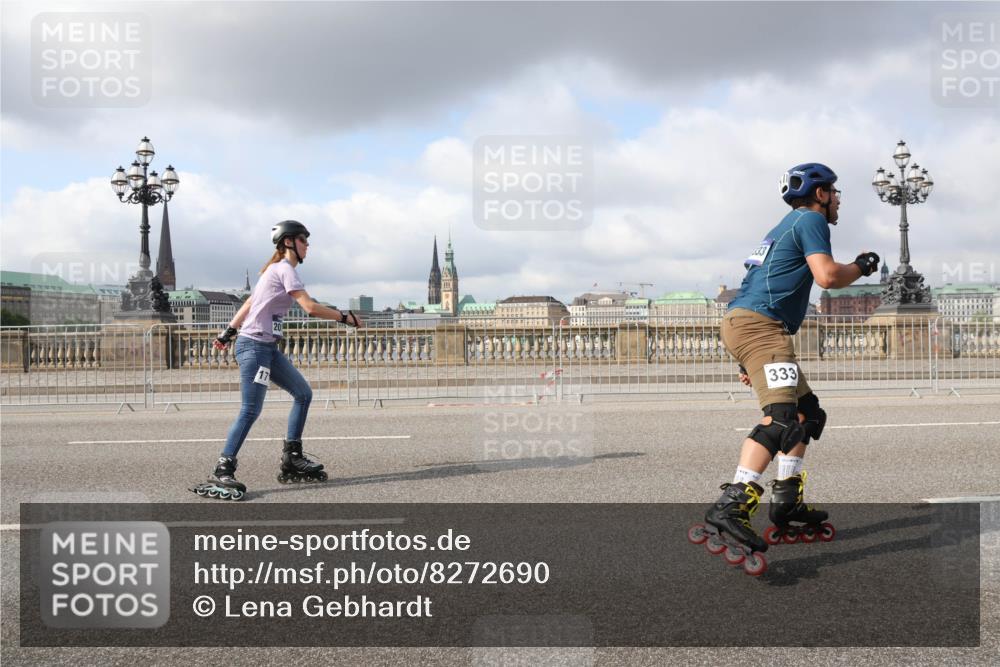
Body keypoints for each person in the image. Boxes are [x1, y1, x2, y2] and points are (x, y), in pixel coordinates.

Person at [705, 163, 879, 561]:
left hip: (750, 324)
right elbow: (828, 277)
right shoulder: (811, 220)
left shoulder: (787, 223)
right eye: (834, 193)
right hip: (760, 327)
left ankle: (787, 500)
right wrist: (863, 266)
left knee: (807, 414)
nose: (837, 200)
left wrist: (747, 355)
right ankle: (733, 503)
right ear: (820, 194)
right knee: (782, 418)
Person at [190, 220, 362, 500]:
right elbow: (309, 307)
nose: (308, 246)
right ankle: (223, 468)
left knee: (303, 393)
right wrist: (346, 318)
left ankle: (292, 456)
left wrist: (228, 332)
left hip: (267, 348)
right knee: (250, 409)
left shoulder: (274, 271)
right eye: (304, 240)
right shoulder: (284, 269)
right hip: (255, 348)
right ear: (289, 243)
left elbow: (249, 304)